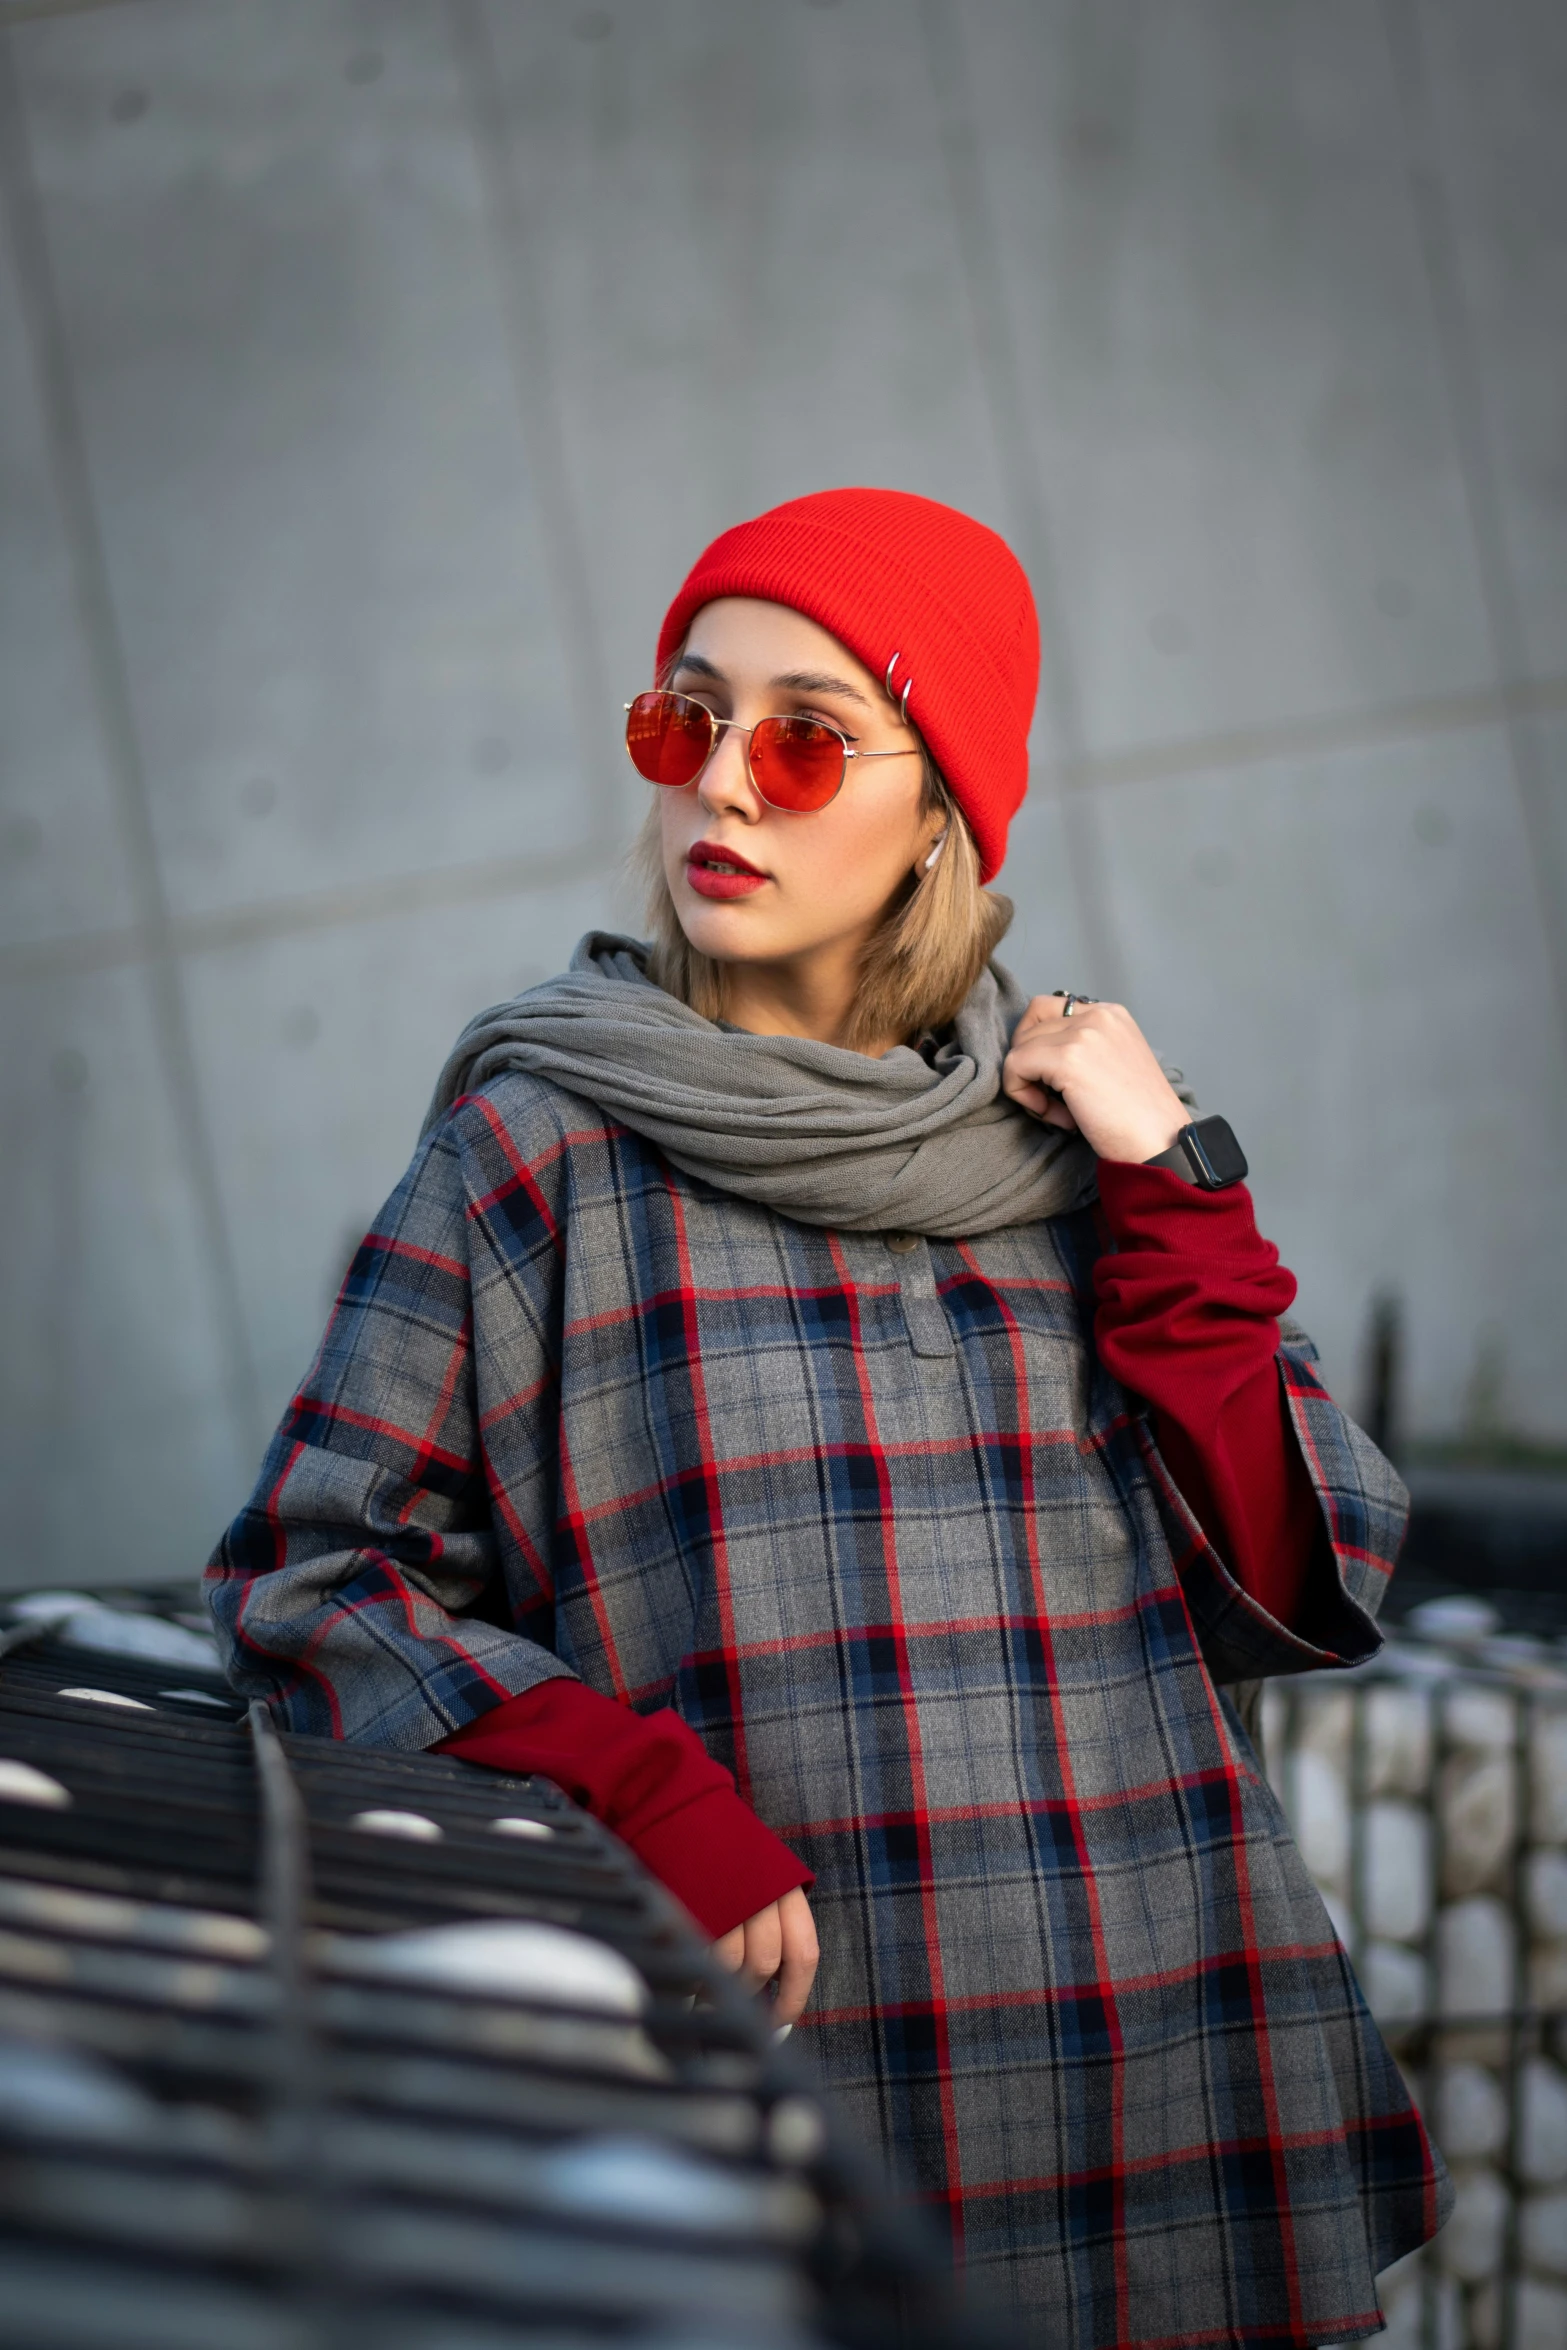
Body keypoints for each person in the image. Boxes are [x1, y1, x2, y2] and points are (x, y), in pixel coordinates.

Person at [207, 488, 1449, 2343]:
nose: (720, 783)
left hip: (1166, 2066)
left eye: (800, 736)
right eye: (682, 716)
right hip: (817, 2091)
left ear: (938, 811)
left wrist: (1177, 1192)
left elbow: (1307, 1562)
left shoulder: (1060, 1154)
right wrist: (623, 1782)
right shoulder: (532, 1156)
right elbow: (307, 1584)